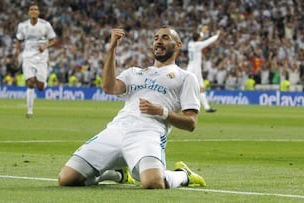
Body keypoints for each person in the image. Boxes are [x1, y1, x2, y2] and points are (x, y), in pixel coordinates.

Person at [58, 26, 206, 189]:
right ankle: (117, 174)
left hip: (147, 133)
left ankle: (184, 175)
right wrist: (112, 48)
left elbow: (191, 123)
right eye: (156, 38)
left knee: (153, 183)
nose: (158, 41)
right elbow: (109, 87)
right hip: (116, 130)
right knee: (66, 179)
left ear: (178, 45)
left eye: (165, 37)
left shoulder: (186, 77)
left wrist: (161, 112)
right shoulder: (134, 72)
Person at [15, 2, 56, 118]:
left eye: (35, 10)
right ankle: (29, 111)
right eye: (31, 9)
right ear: (28, 12)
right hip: (28, 57)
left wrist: (45, 46)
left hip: (41, 58)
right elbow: (19, 39)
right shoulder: (22, 25)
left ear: (38, 13)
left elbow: (53, 40)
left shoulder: (45, 25)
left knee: (41, 86)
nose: (33, 11)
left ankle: (43, 82)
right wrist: (17, 51)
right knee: (31, 82)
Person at [186, 25, 221, 113]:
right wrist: (216, 35)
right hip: (196, 70)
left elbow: (198, 37)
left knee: (186, 87)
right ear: (198, 39)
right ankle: (206, 107)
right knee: (200, 88)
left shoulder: (190, 43)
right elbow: (208, 41)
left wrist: (202, 32)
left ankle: (207, 107)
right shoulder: (198, 45)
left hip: (189, 68)